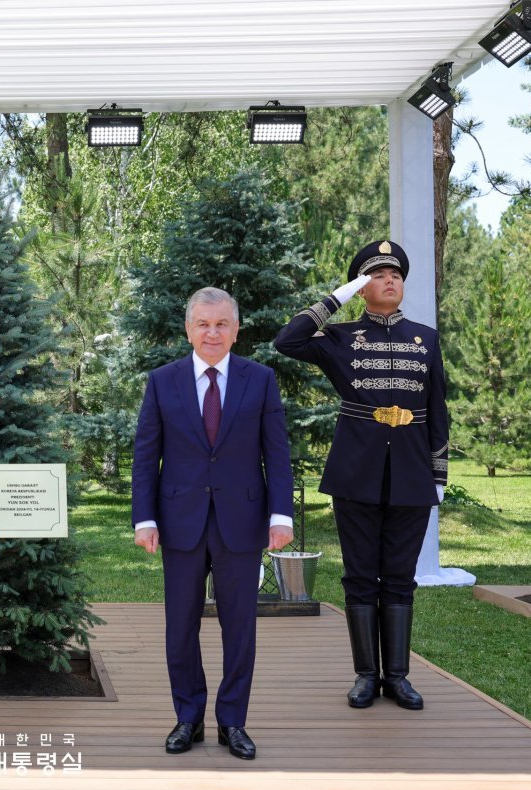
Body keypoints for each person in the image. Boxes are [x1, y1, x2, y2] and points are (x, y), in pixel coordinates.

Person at [274, 240, 447, 711]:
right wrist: (336, 298)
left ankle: (399, 676)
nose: (389, 280)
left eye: (395, 274)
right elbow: (286, 341)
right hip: (356, 473)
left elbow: (437, 409)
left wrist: (439, 474)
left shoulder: (425, 339)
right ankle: (366, 676)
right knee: (360, 577)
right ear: (363, 286)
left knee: (399, 577)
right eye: (377, 275)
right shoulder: (341, 338)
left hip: (411, 474)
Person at [132, 287, 294, 761]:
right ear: (188, 329)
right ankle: (188, 718)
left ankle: (232, 722)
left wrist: (280, 515)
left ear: (236, 330)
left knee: (239, 627)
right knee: (179, 626)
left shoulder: (260, 380)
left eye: (222, 324)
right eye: (203, 324)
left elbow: (276, 454)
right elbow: (146, 457)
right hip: (179, 522)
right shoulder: (163, 381)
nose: (212, 332)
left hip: (241, 523)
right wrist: (144, 518)